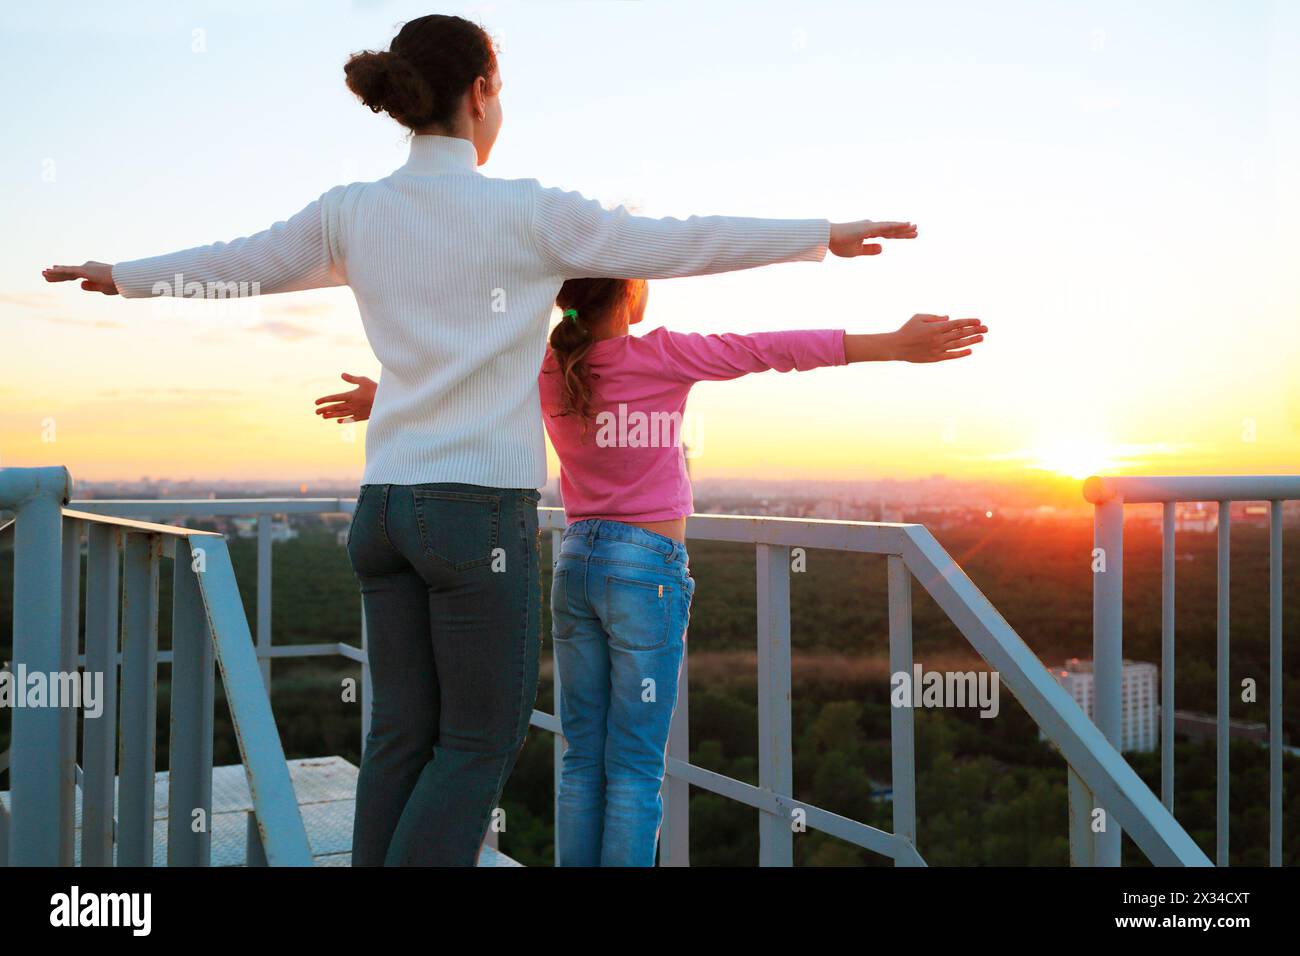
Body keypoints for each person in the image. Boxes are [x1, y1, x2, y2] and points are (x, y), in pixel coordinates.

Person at [43, 13, 917, 866]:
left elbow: (242, 262)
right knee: (477, 743)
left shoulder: (353, 211)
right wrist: (821, 236)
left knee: (399, 739)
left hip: (382, 512)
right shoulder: (529, 213)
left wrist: (124, 277)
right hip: (472, 520)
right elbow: (680, 241)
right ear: (481, 91)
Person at [315, 277, 986, 865]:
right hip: (646, 571)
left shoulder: (545, 365)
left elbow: (463, 399)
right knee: (634, 763)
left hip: (576, 562)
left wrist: (386, 400)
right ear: (631, 292)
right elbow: (772, 349)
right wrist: (891, 343)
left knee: (583, 754)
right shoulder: (659, 353)